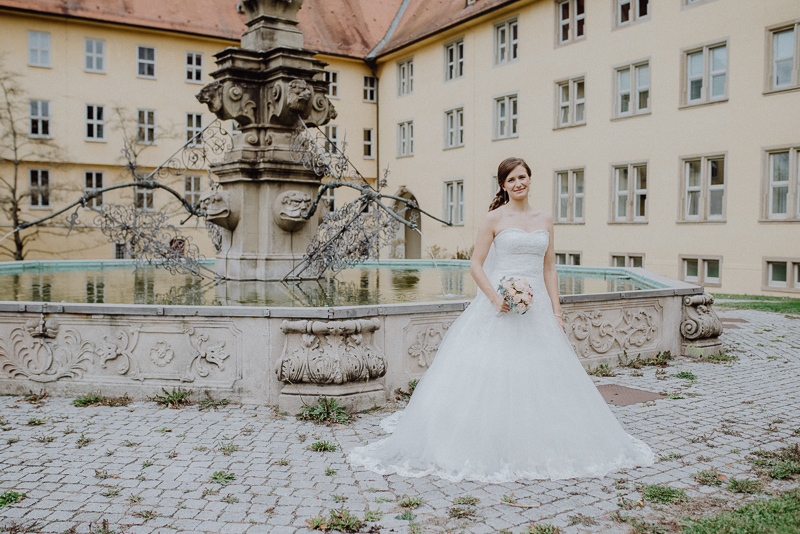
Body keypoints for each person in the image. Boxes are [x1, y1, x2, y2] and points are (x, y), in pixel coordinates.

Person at [348, 157, 655, 483]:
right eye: (511, 180)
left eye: (522, 177)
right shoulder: (494, 218)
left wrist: (557, 311)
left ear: (529, 179)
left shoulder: (545, 218)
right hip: (500, 305)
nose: (518, 183)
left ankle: (540, 435)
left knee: (542, 372)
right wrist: (496, 298)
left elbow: (549, 268)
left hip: (537, 309)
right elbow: (476, 265)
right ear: (503, 185)